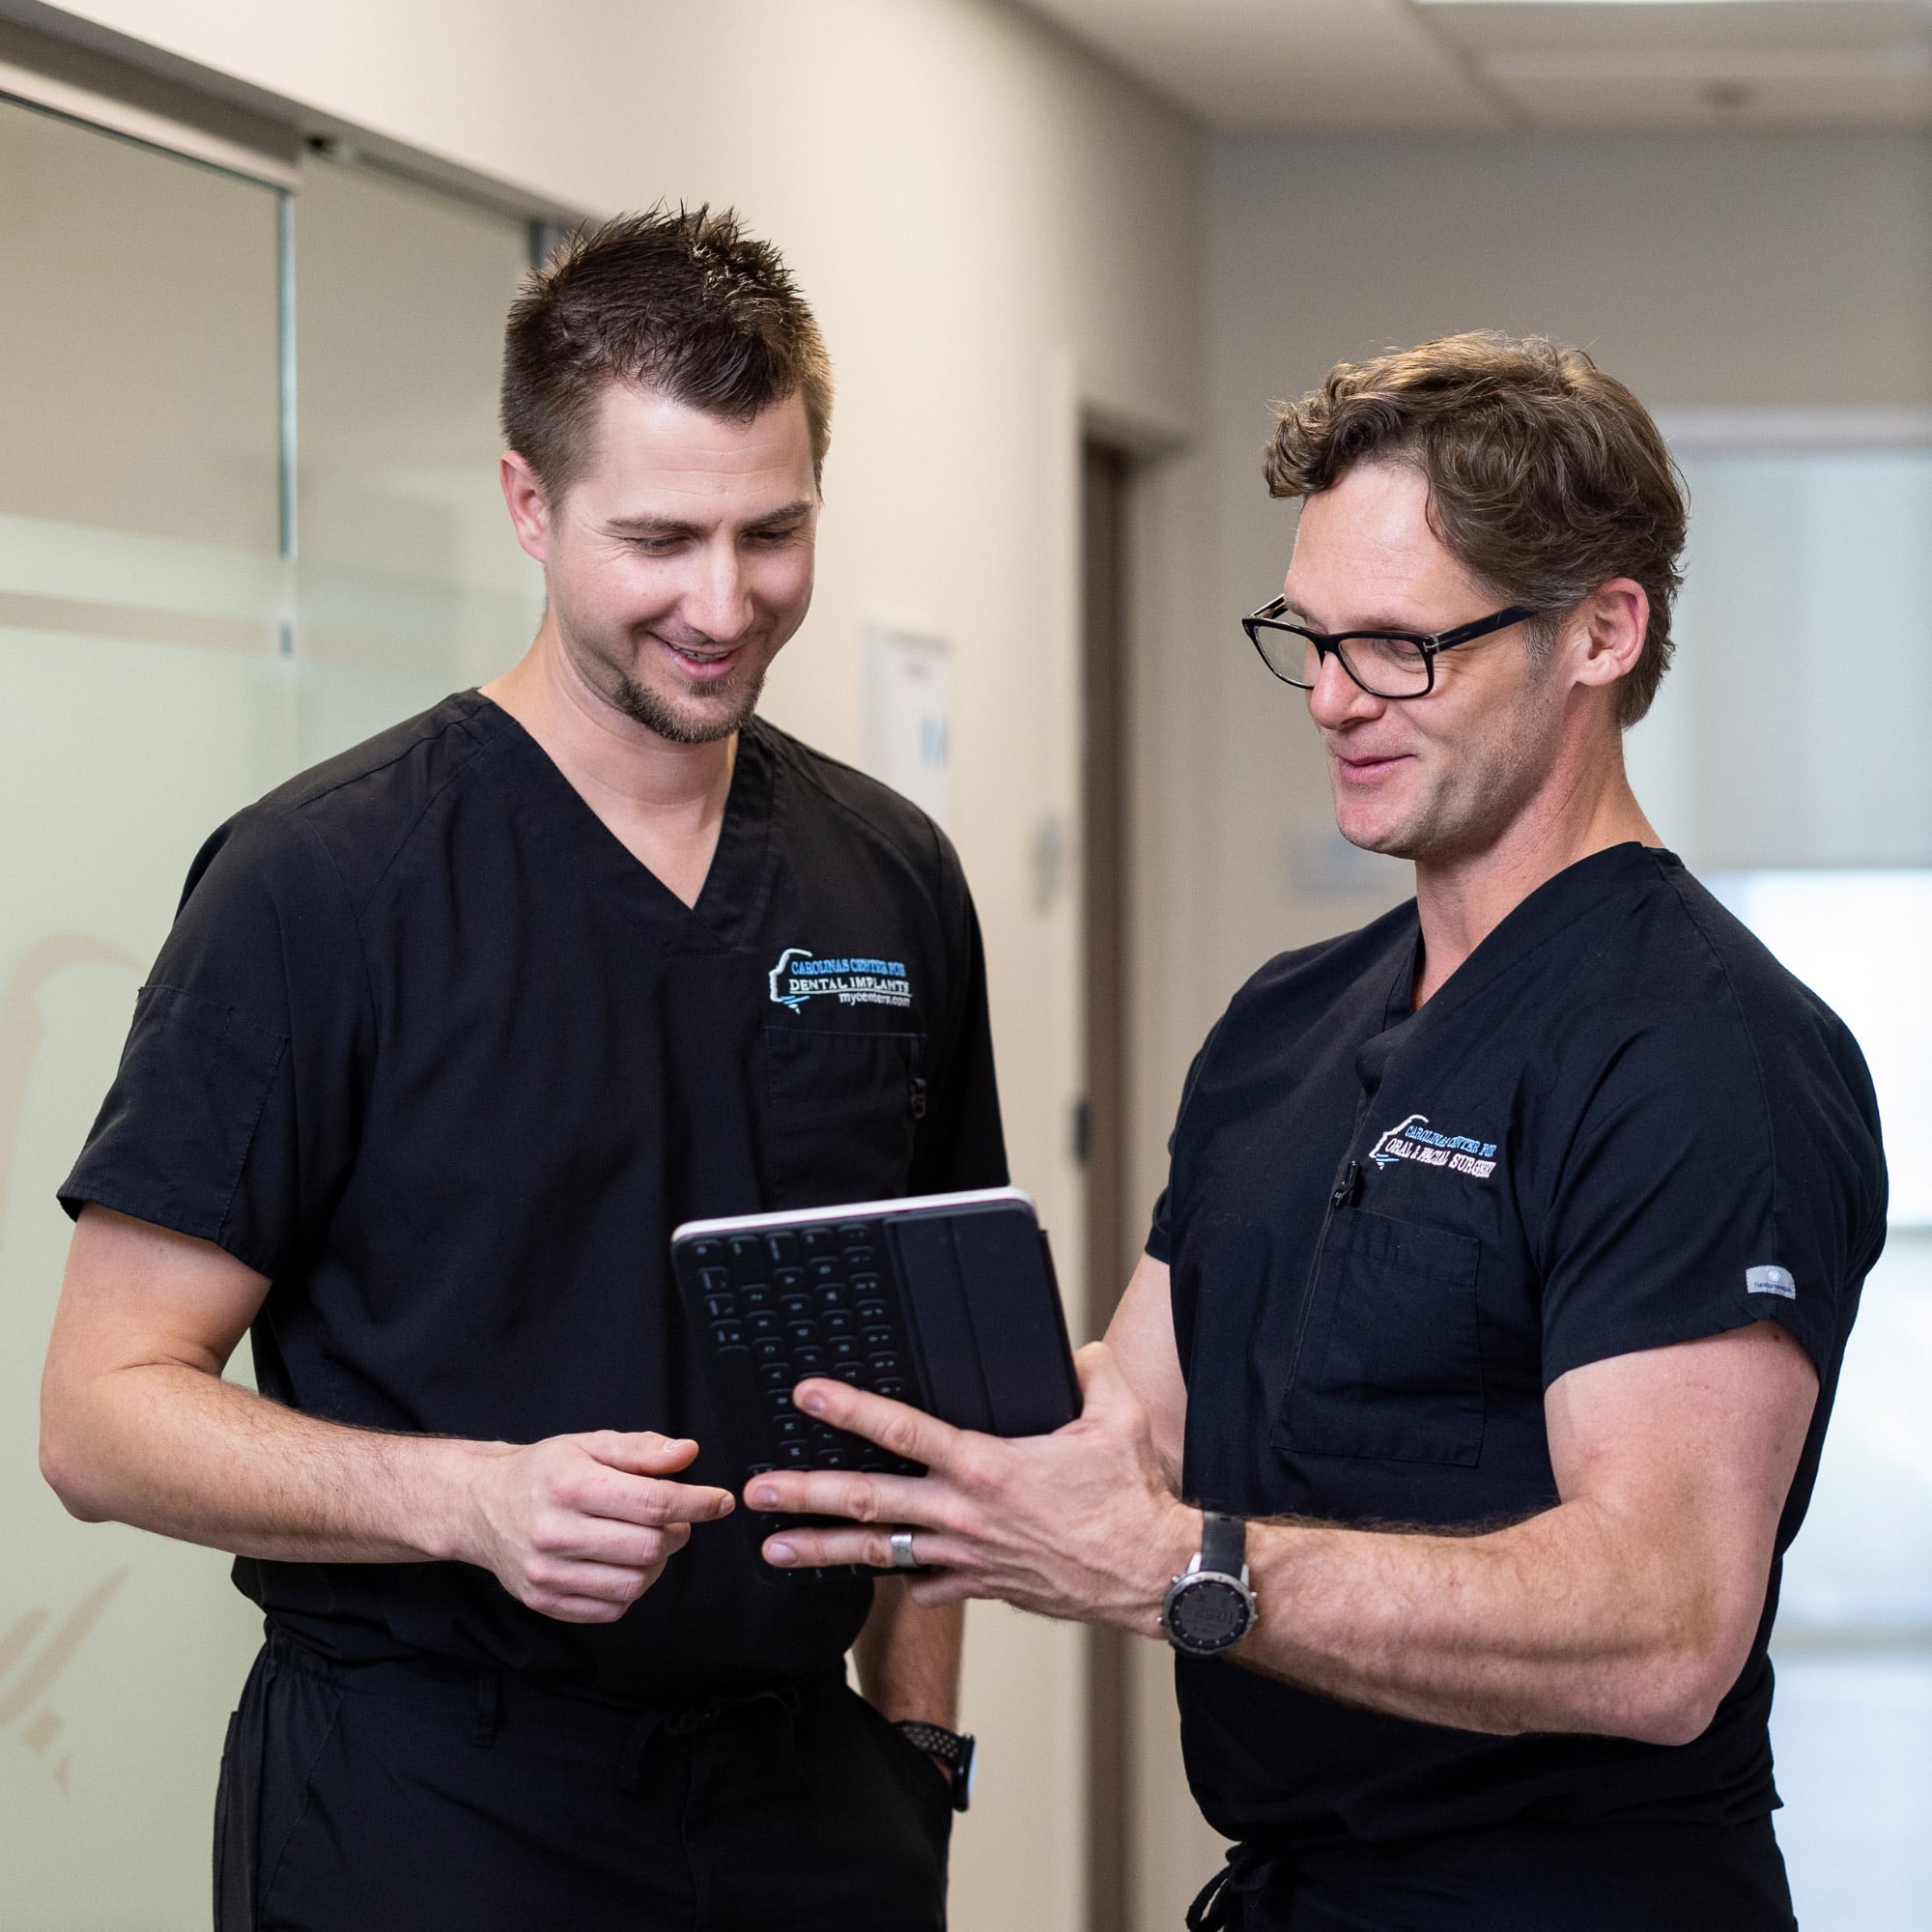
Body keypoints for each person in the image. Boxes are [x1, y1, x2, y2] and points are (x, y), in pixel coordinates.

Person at [742, 332, 1889, 1929]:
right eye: (1311, 639)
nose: (1336, 699)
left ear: (1601, 634)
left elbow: (1663, 1627)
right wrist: (851, 1429)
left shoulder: (1703, 1052)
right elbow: (1133, 1413)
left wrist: (1175, 1570)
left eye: (1402, 649)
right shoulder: (1289, 1021)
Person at [39, 207, 1001, 1932]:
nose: (725, 603)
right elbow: (101, 1414)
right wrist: (467, 1498)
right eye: (661, 539)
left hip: (809, 1807)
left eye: (773, 533)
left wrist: (917, 1743)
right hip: (435, 1798)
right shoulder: (321, 883)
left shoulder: (890, 875)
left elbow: (926, 1376)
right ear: (528, 506)